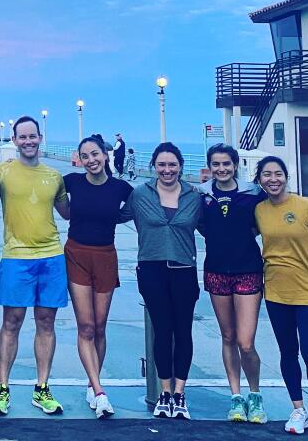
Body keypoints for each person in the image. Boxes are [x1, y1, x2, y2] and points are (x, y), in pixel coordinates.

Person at [254, 156, 308, 441]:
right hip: (276, 293)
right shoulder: (259, 210)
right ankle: (298, 409)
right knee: (287, 353)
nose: (273, 179)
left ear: (286, 176)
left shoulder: (306, 207)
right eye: (267, 174)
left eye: (278, 174)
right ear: (259, 179)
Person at [0, 116, 68, 416]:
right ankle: (2, 389)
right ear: (14, 139)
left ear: (40, 137)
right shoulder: (1, 173)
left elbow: (69, 212)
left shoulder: (54, 176)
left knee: (46, 323)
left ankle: (42, 388)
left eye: (32, 136)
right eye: (22, 137)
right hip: (15, 257)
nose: (28, 141)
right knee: (12, 322)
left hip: (51, 257)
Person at [56, 134, 132, 419]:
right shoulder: (72, 181)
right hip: (76, 253)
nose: (91, 160)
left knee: (100, 327)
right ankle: (100, 391)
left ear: (105, 154)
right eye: (85, 156)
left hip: (106, 256)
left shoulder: (120, 188)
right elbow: (46, 189)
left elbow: (139, 207)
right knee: (86, 326)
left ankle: (92, 383)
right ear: (79, 159)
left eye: (95, 154)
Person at [124, 142, 201, 420]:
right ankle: (164, 393)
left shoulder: (195, 196)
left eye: (172, 165)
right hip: (152, 270)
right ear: (153, 167)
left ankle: (180, 394)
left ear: (180, 166)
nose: (167, 170)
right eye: (162, 165)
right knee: (162, 330)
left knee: (183, 333)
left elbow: (221, 222)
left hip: (184, 270)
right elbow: (112, 214)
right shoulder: (140, 194)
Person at [196, 143, 267, 423]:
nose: (222, 169)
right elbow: (201, 225)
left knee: (245, 341)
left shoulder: (252, 194)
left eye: (226, 164)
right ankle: (236, 397)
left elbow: (271, 212)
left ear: (235, 165)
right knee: (227, 337)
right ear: (210, 167)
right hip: (216, 270)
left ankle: (255, 394)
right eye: (216, 164)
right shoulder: (202, 195)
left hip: (248, 269)